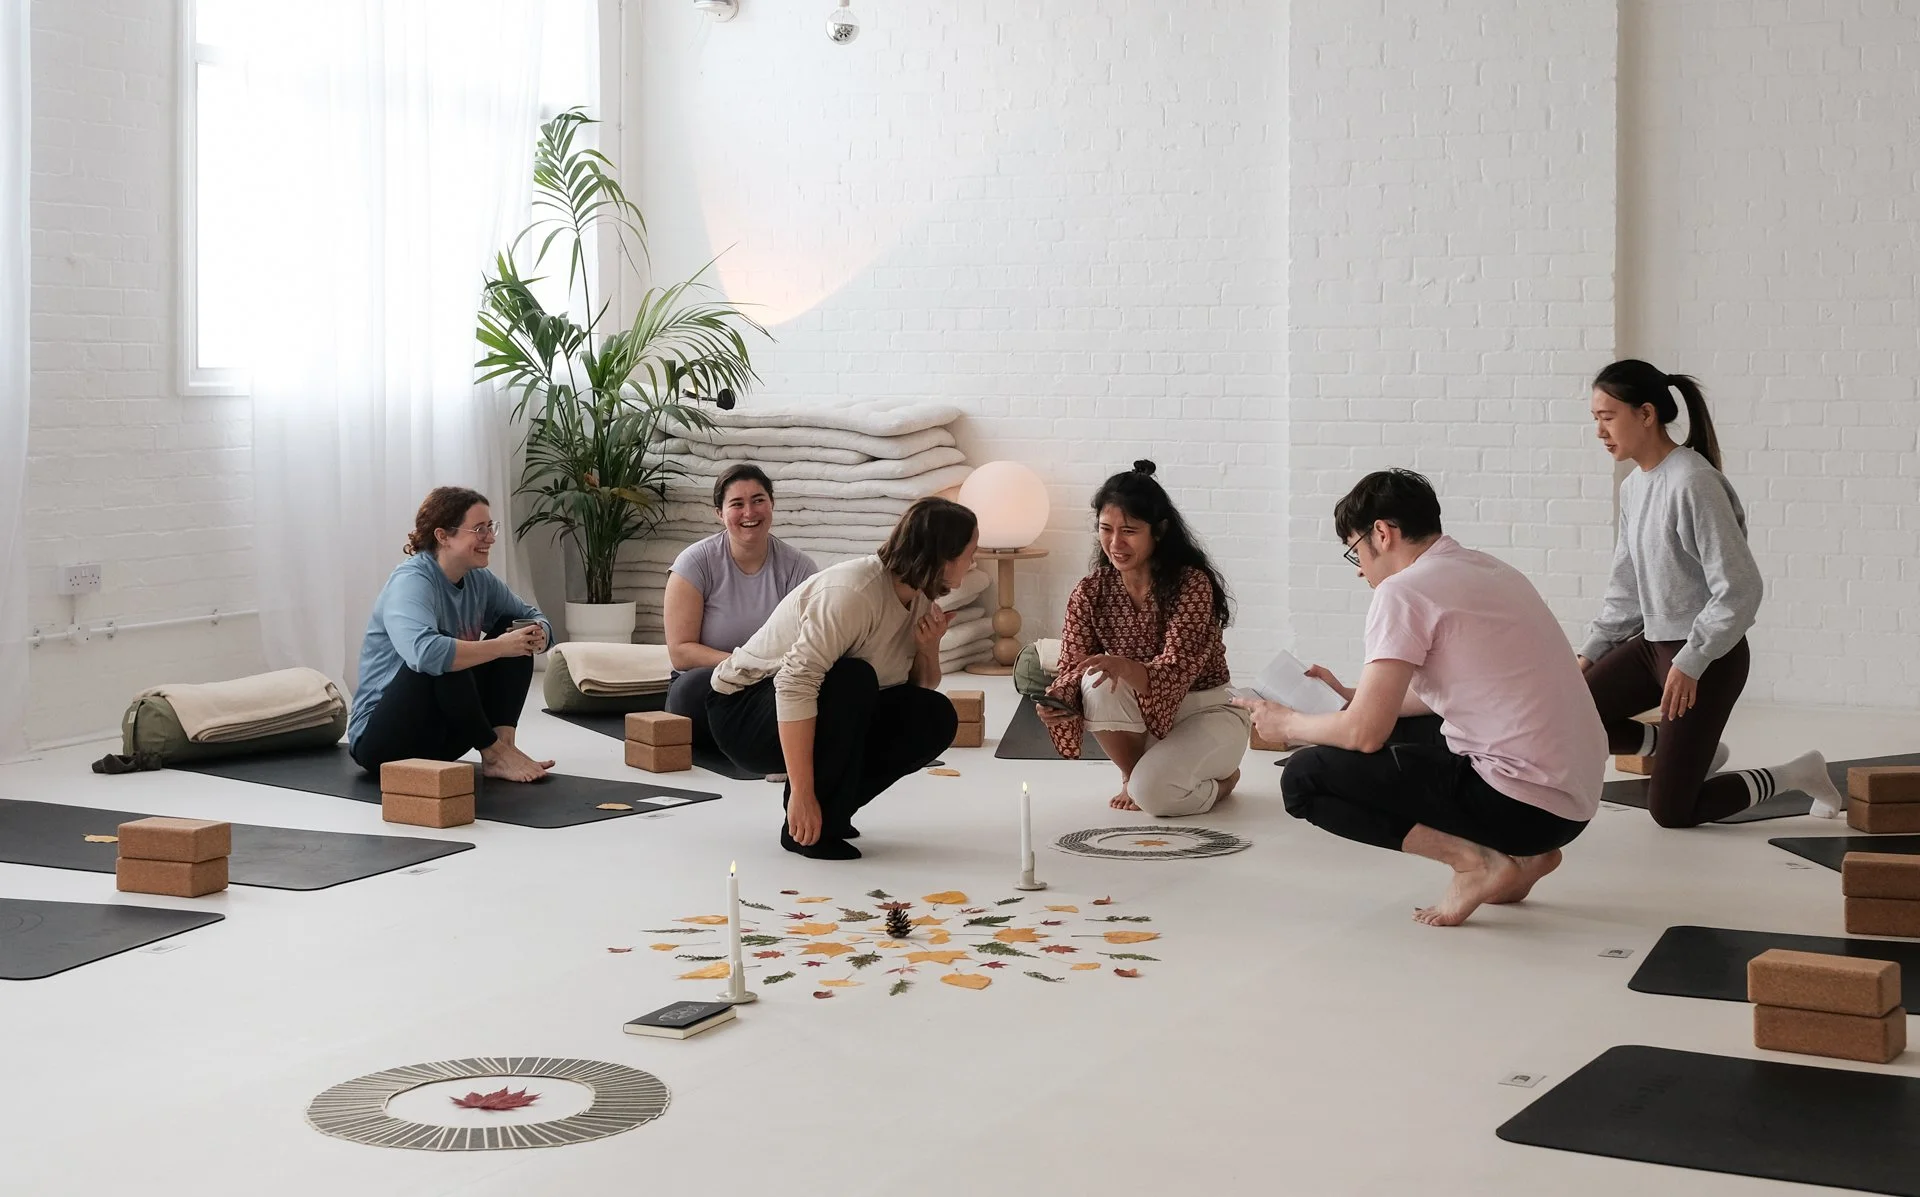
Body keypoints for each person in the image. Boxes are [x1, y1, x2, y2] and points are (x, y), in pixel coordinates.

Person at [1250, 469, 1605, 927]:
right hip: (1572, 802)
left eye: (1355, 550)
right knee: (1381, 725)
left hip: (1522, 805)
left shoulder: (1403, 591)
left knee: (1304, 779)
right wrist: (1352, 696)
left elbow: (1364, 733)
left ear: (1382, 533)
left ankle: (1477, 863)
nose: (1359, 568)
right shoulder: (1486, 567)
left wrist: (1287, 725)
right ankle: (1523, 857)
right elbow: (1453, 689)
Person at [1579, 359, 1841, 825]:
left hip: (1708, 660)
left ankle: (1798, 772)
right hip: (1653, 647)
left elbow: (1741, 589)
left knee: (1673, 813)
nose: (1599, 431)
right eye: (1595, 418)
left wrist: (1693, 659)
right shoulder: (1636, 486)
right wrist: (1591, 654)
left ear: (1645, 414)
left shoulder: (1693, 482)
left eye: (1607, 417)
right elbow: (1626, 591)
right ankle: (1685, 745)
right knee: (1571, 712)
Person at [706, 497, 978, 860]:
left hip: (808, 705)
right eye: (970, 553)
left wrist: (928, 648)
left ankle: (832, 812)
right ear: (943, 555)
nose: (973, 562)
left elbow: (918, 691)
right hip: (741, 711)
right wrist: (802, 794)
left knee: (935, 715)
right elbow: (794, 684)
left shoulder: (920, 598)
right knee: (852, 678)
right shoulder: (853, 593)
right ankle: (805, 827)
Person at [1037, 461, 1250, 816]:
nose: (1115, 543)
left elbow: (1178, 669)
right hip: (1144, 720)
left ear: (1159, 531)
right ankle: (1131, 775)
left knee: (1155, 798)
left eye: (1129, 531)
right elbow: (1071, 670)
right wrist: (1058, 702)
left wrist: (1124, 665)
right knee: (1090, 680)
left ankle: (1224, 781)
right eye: (1106, 529)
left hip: (1207, 712)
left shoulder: (1191, 585)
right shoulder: (1091, 590)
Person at [349, 487, 555, 782]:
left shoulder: (478, 579)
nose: (491, 538)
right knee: (441, 653)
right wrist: (500, 647)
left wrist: (539, 635)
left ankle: (503, 749)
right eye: (479, 529)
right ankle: (494, 752)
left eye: (491, 527)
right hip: (383, 742)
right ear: (443, 536)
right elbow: (426, 654)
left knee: (515, 624)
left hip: (446, 738)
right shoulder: (411, 582)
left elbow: (533, 616)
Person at [663, 464, 817, 764]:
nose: (750, 512)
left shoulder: (799, 568)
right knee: (691, 689)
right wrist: (748, 665)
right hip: (712, 683)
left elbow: (810, 644)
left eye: (758, 500)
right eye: (737, 504)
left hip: (773, 686)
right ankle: (772, 747)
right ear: (719, 513)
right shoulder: (695, 563)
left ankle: (776, 749)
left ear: (771, 504)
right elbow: (681, 653)